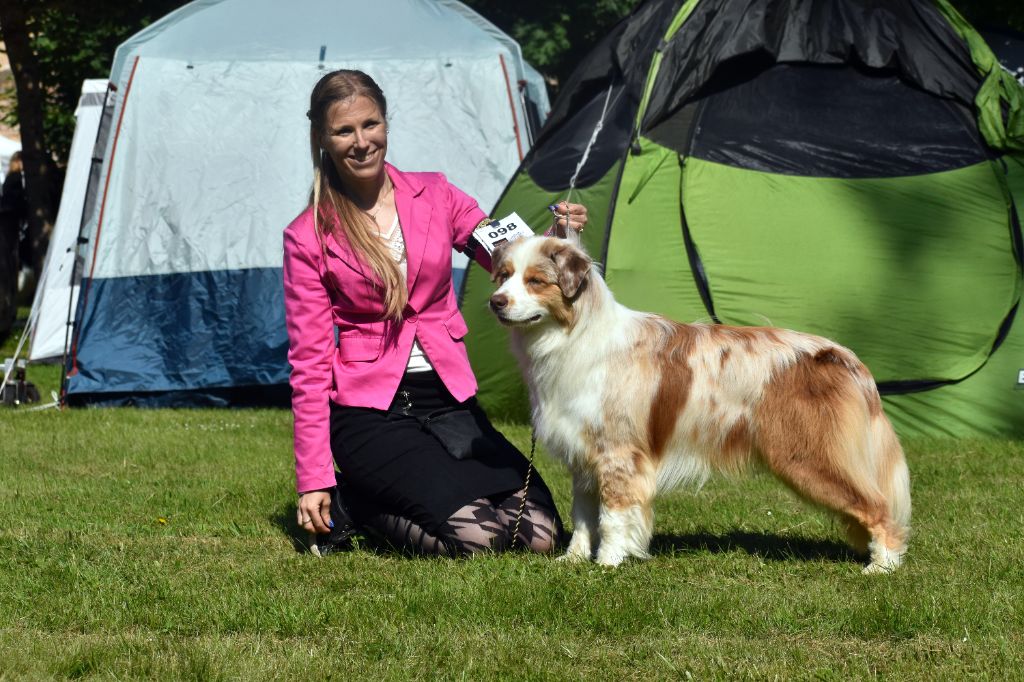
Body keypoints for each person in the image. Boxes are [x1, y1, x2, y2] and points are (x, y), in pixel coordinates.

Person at [284, 70, 589, 557]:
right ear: (322, 137)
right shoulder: (307, 235)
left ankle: (390, 493)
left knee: (539, 538)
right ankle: (355, 500)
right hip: (371, 416)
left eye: (371, 125)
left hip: (449, 402)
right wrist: (313, 477)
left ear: (386, 124)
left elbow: (506, 252)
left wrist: (554, 235)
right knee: (480, 538)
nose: (361, 142)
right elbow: (309, 363)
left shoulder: (437, 193)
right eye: (344, 131)